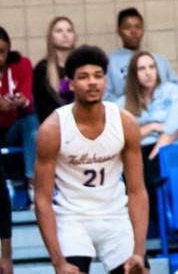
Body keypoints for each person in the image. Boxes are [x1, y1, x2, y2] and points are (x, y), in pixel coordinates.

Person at [34, 45, 148, 274]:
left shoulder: (125, 122)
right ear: (70, 84)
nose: (92, 82)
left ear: (105, 80)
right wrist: (58, 262)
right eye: (84, 77)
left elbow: (137, 191)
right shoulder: (53, 129)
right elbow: (42, 200)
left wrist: (139, 251)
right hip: (72, 218)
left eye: (98, 76)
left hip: (114, 215)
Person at [124, 51, 178, 224]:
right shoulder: (123, 103)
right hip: (139, 151)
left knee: (150, 167)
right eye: (142, 69)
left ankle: (157, 223)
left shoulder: (173, 91)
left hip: (170, 150)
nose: (148, 72)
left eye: (152, 67)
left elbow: (173, 129)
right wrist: (151, 127)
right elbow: (123, 137)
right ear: (134, 74)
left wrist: (153, 154)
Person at [105, 7, 178, 102]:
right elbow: (105, 98)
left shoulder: (159, 60)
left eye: (138, 27)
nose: (134, 32)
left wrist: (162, 102)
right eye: (128, 27)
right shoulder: (109, 62)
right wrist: (129, 104)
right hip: (127, 109)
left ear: (143, 30)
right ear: (119, 31)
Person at [0, 26, 38, 210]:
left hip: (13, 128)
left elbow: (27, 100)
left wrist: (21, 101)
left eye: (2, 51)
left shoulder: (22, 64)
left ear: (9, 50)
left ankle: (33, 186)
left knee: (32, 122)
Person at [33, 16, 76, 123]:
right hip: (54, 123)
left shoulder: (82, 65)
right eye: (59, 31)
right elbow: (43, 108)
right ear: (51, 38)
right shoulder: (42, 69)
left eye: (69, 30)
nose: (65, 34)